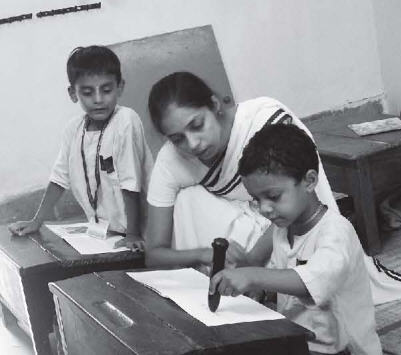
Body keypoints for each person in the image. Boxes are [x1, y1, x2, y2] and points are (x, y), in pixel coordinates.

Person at [145, 71, 401, 305]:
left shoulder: (262, 120)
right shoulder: (171, 159)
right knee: (187, 200)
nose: (192, 143)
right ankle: (236, 286)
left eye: (197, 125)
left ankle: (262, 286)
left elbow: (296, 200)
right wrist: (204, 254)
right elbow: (154, 253)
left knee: (313, 273)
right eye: (177, 138)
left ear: (214, 106)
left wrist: (252, 267)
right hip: (238, 238)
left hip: (282, 223)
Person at [209, 123, 382, 355]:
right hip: (302, 340)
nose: (265, 209)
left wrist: (251, 276)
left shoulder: (336, 232)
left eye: (273, 196)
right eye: (256, 200)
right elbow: (256, 263)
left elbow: (311, 281)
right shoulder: (281, 227)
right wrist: (241, 271)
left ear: (309, 181)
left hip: (345, 350)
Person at [8, 46, 153, 250]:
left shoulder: (126, 121)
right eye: (87, 92)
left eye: (107, 90)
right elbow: (59, 179)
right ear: (73, 94)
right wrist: (36, 222)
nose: (98, 99)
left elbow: (131, 183)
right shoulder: (73, 129)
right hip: (107, 233)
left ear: (120, 87)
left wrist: (133, 234)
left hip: (143, 232)